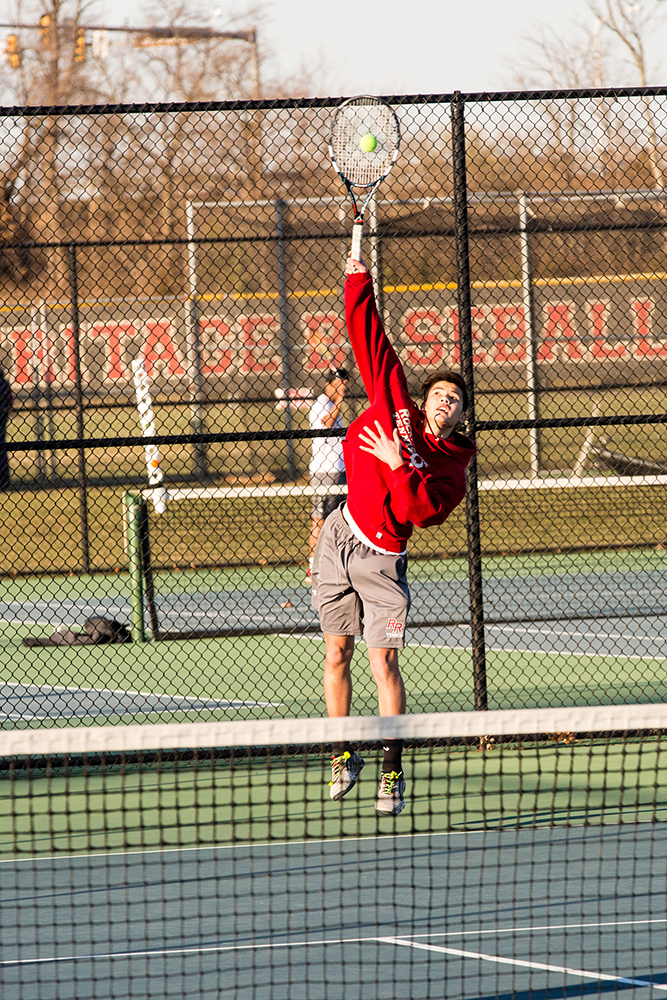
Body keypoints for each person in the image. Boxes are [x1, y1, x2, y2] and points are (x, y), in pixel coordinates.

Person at [311, 257, 476, 816]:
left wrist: (396, 462)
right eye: (439, 394)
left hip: (383, 562)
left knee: (383, 665)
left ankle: (391, 771)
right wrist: (358, 281)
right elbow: (371, 341)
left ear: (459, 418)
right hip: (339, 538)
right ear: (424, 399)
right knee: (335, 653)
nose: (444, 401)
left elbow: (421, 512)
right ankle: (340, 756)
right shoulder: (393, 409)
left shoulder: (451, 469)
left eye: (455, 400)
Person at [307, 368, 349, 580]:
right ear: (329, 384)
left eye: (345, 383)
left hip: (339, 469)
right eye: (340, 383)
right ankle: (312, 566)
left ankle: (336, 563)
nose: (344, 386)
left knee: (340, 518)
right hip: (324, 470)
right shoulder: (322, 404)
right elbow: (327, 423)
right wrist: (340, 398)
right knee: (320, 518)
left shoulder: (333, 404)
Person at [0, 367, 13, 489]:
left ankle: (3, 482)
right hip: (2, 418)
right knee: (2, 448)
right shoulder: (4, 383)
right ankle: (4, 482)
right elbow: (10, 402)